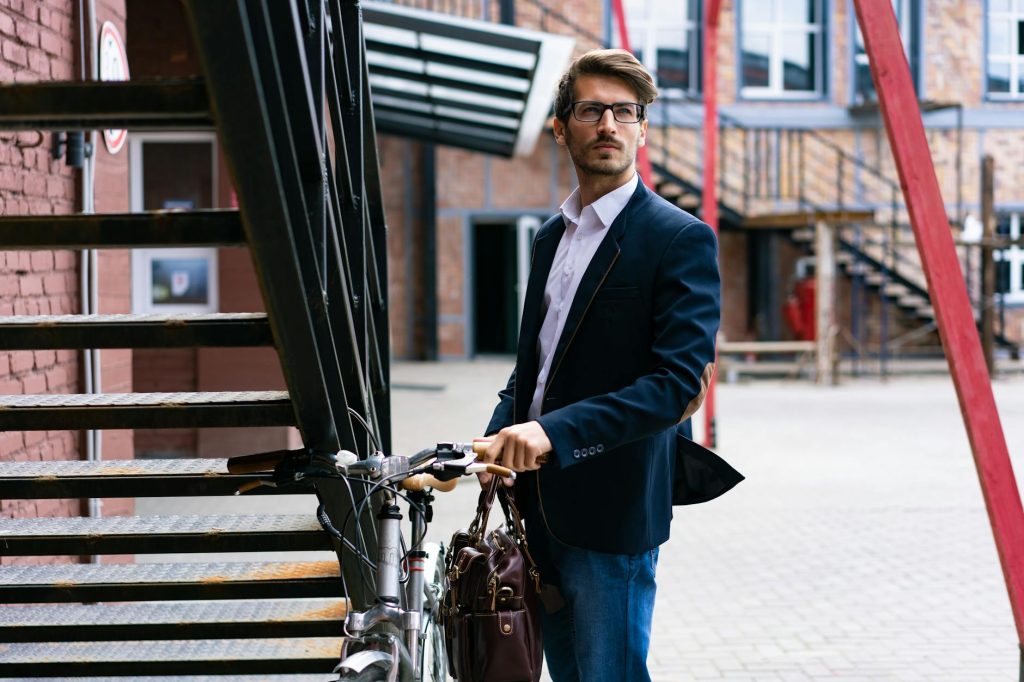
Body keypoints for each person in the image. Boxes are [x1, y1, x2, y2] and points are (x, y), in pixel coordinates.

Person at [479, 49, 743, 682]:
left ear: (642, 128)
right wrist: (494, 439)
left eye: (625, 112)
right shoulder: (550, 237)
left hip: (613, 510)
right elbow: (534, 368)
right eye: (592, 110)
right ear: (561, 126)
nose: (609, 125)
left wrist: (553, 434)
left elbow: (675, 384)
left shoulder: (679, 238)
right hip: (537, 508)